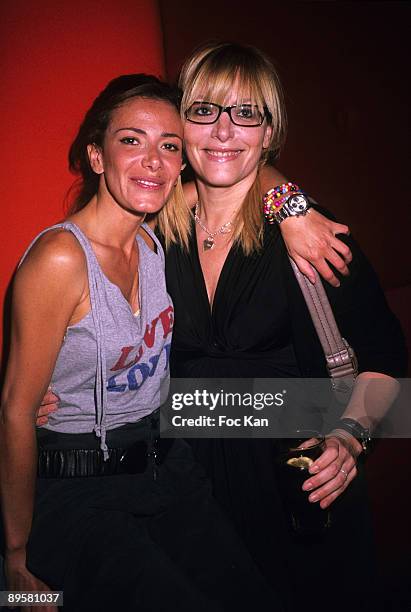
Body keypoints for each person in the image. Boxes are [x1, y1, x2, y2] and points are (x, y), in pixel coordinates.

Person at [0, 74, 286, 612]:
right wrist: (15, 557)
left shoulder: (160, 241)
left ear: (182, 164)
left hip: (167, 466)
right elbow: (15, 411)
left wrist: (295, 209)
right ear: (97, 156)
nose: (153, 160)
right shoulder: (61, 259)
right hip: (79, 487)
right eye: (131, 140)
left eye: (170, 146)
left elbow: (242, 164)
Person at [157, 42, 407, 611]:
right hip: (188, 490)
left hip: (295, 486)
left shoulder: (312, 237)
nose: (224, 130)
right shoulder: (154, 229)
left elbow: (386, 356)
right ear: (183, 122)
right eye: (205, 110)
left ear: (269, 134)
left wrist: (352, 435)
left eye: (247, 113)